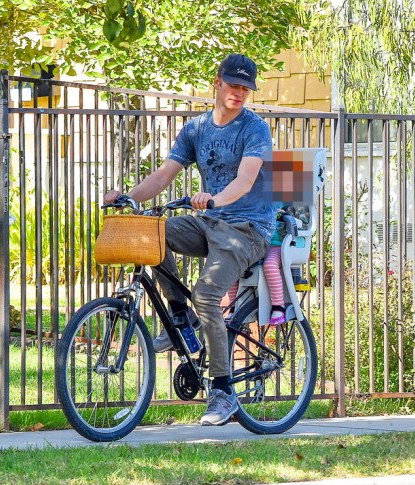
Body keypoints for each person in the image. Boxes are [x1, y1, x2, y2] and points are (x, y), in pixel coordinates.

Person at [104, 53, 276, 426]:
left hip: (247, 228)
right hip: (211, 220)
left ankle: (223, 391)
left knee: (208, 294)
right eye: (233, 85)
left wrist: (215, 198)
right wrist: (130, 198)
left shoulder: (254, 129)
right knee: (154, 233)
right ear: (217, 82)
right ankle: (181, 318)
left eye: (246, 88)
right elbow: (165, 174)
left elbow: (245, 180)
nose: (240, 93)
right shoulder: (197, 129)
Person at [225, 206, 288, 325]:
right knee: (233, 265)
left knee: (270, 265)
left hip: (278, 244)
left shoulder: (286, 197)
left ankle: (278, 306)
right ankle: (234, 306)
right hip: (257, 242)